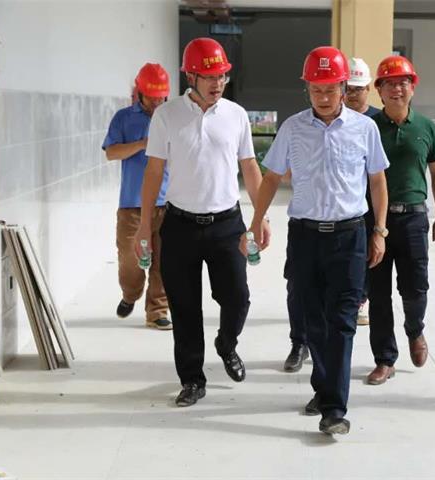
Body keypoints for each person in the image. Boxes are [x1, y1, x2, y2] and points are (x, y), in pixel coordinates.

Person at [243, 46, 389, 435]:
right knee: (314, 321)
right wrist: (256, 221)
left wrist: (379, 230)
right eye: (316, 90)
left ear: (344, 87)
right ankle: (324, 389)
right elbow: (271, 177)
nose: (323, 97)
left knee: (342, 321)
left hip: (350, 236)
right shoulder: (293, 128)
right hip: (306, 238)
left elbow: (377, 181)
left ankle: (334, 409)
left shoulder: (365, 128)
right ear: (306, 88)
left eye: (330, 89)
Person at [135, 38, 269, 407]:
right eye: (210, 76)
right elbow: (153, 172)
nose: (217, 83)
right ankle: (192, 379)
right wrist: (144, 227)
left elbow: (249, 166)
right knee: (184, 308)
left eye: (222, 76)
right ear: (190, 77)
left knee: (237, 298)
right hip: (179, 225)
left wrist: (260, 217)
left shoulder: (236, 115)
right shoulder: (167, 116)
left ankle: (227, 344)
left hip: (227, 224)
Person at [365, 55, 435, 385]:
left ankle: (415, 330)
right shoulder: (369, 127)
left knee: (415, 288)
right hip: (376, 220)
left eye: (403, 83)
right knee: (378, 293)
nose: (397, 89)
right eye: (389, 84)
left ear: (413, 88)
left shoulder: (426, 127)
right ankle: (385, 359)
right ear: (379, 91)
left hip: (414, 217)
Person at [103, 63, 171, 330]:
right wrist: (143, 144)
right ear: (139, 93)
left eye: (161, 97)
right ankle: (131, 294)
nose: (156, 103)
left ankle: (158, 311)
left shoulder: (172, 117)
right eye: (151, 97)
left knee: (164, 262)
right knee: (130, 261)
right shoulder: (123, 118)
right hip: (132, 205)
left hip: (167, 204)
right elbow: (111, 152)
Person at [344, 56, 380, 327]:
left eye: (358, 89)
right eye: (348, 88)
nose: (353, 94)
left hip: (372, 198)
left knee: (368, 252)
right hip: (345, 200)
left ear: (368, 89)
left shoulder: (379, 120)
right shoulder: (334, 117)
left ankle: (362, 300)